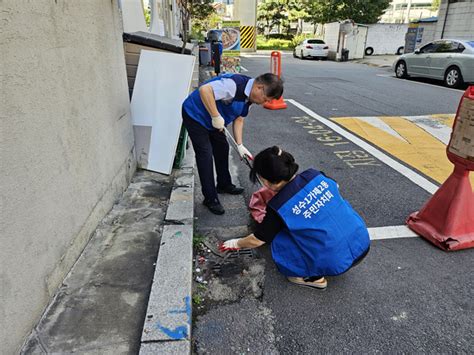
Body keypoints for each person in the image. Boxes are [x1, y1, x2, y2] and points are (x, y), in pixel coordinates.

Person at [220, 146, 370, 289]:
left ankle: (312, 278)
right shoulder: (315, 175)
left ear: (265, 181)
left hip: (335, 261)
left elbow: (258, 239)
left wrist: (235, 244)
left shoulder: (278, 206)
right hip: (362, 241)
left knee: (281, 237)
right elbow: (334, 187)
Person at [182, 73, 284, 215]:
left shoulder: (250, 99)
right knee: (205, 154)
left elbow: (239, 119)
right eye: (265, 99)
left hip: (214, 122)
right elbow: (205, 90)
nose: (263, 103)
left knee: (222, 148)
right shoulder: (233, 85)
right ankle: (210, 198)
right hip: (196, 115)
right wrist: (216, 116)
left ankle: (224, 184)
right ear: (259, 87)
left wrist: (240, 145)